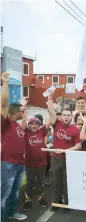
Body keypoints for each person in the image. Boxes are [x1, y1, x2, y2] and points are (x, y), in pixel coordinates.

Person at [1, 72, 28, 221]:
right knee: (5, 193)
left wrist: (24, 108)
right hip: (8, 164)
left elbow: (24, 124)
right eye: (21, 112)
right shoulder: (5, 123)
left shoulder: (17, 125)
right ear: (14, 112)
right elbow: (4, 104)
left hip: (19, 164)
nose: (23, 113)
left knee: (15, 192)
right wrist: (5, 83)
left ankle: (11, 213)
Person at [48, 91, 81, 207]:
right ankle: (57, 202)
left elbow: (78, 146)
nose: (66, 117)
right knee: (57, 183)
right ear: (61, 116)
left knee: (67, 182)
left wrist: (66, 151)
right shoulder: (56, 124)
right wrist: (50, 98)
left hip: (69, 160)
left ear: (72, 117)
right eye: (64, 115)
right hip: (56, 159)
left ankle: (67, 203)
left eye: (68, 115)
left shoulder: (75, 129)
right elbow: (51, 111)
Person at [23, 117, 50, 210]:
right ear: (28, 124)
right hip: (29, 163)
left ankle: (39, 198)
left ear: (39, 125)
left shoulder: (42, 131)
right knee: (30, 181)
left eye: (36, 124)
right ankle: (28, 199)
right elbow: (22, 124)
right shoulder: (25, 132)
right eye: (31, 123)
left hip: (42, 162)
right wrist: (24, 112)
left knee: (40, 181)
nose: (34, 125)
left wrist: (51, 108)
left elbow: (49, 121)